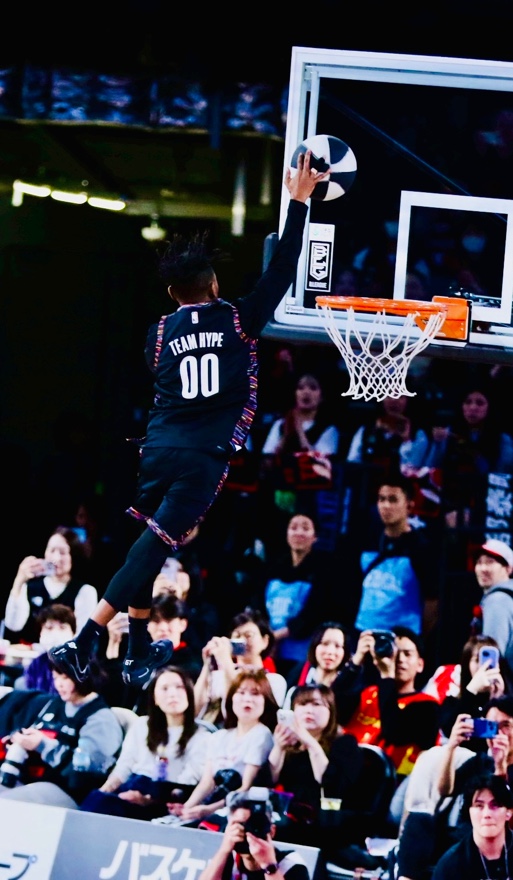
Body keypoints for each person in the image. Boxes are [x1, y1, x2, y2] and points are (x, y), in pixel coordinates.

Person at [48, 149, 328, 689]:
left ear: (172, 294)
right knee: (154, 546)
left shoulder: (157, 334)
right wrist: (299, 203)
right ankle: (87, 639)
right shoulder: (240, 319)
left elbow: (164, 370)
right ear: (215, 286)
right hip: (201, 457)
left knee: (148, 543)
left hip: (157, 449)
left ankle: (134, 648)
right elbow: (284, 266)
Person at [79, 666, 213, 820]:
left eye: (179, 687)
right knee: (97, 799)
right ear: (155, 698)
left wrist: (147, 800)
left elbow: (187, 783)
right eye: (164, 689)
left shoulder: (202, 737)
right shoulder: (142, 725)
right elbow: (124, 766)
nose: (173, 694)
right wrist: (105, 790)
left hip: (166, 798)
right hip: (133, 786)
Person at [268, 683, 376, 870]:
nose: (309, 710)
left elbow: (330, 785)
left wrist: (310, 742)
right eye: (303, 704)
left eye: (317, 704)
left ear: (330, 711)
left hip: (329, 823)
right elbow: (268, 781)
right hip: (291, 819)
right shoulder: (290, 745)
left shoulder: (345, 744)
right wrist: (279, 747)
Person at [0, 662, 123, 807]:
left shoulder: (100, 719)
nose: (59, 684)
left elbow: (82, 775)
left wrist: (42, 745)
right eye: (56, 678)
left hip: (67, 791)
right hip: (31, 780)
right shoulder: (54, 703)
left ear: (83, 677)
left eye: (65, 678)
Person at [165, 669, 278, 824]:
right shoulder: (219, 737)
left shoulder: (262, 735)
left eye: (255, 693)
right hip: (211, 805)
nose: (247, 699)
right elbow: (207, 783)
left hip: (238, 812)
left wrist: (208, 810)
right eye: (241, 692)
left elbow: (245, 788)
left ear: (265, 700)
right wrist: (186, 808)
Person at [337, 627, 441, 778]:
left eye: (407, 654)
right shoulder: (368, 694)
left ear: (420, 665)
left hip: (394, 783)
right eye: (394, 652)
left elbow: (393, 732)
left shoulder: (428, 706)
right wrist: (356, 661)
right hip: (347, 775)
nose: (399, 659)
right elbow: (331, 709)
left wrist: (387, 676)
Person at [352, 472, 441, 640]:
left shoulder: (422, 547)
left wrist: (416, 639)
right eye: (381, 499)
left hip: (400, 638)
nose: (386, 506)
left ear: (409, 506)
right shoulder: (367, 539)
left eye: (393, 500)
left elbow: (432, 601)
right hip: (363, 632)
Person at [257, 513, 338, 677]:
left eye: (306, 528)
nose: (299, 533)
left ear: (315, 537)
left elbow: (315, 612)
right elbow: (258, 605)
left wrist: (276, 636)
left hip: (300, 653)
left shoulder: (323, 571)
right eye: (293, 528)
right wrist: (267, 636)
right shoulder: (273, 567)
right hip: (270, 649)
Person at [3, 526, 98, 645]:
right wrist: (19, 581)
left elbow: (82, 638)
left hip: (63, 656)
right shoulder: (30, 587)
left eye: (63, 552)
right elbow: (13, 625)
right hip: (28, 654)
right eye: (52, 551)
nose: (56, 558)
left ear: (73, 555)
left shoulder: (85, 592)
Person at [194, 608, 287, 726]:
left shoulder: (274, 680)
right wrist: (207, 665)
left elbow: (235, 708)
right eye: (237, 635)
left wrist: (225, 660)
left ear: (265, 641)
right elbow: (194, 710)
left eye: (249, 636)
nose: (242, 641)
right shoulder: (218, 676)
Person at [196, 788, 310, 880]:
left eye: (256, 825)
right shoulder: (229, 859)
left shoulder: (291, 864)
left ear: (272, 831)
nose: (249, 832)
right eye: (241, 825)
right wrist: (224, 850)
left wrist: (269, 866)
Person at [431, 773, 513, 880]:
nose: (487, 814)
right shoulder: (451, 864)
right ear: (469, 812)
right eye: (479, 806)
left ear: (508, 812)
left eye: (495, 805)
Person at [282, 621, 348, 709]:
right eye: (325, 643)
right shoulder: (298, 673)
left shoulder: (348, 686)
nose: (330, 651)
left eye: (337, 646)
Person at [472, 538, 513, 678]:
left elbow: (491, 657)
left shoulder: (498, 601)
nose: (483, 568)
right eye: (479, 562)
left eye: (490, 562)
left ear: (508, 568)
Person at [14, 604, 77, 694]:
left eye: (62, 628)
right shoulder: (36, 664)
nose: (56, 634)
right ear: (40, 633)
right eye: (49, 628)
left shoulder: (81, 664)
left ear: (73, 633)